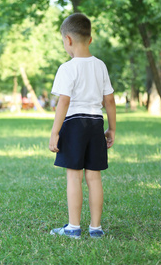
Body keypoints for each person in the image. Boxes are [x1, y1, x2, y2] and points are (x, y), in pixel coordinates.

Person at [48, 13, 116, 239]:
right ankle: (96, 229)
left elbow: (64, 102)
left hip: (74, 125)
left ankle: (73, 228)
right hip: (96, 123)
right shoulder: (101, 66)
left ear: (67, 40)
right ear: (90, 39)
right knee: (94, 177)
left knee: (73, 177)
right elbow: (109, 100)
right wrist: (112, 128)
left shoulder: (67, 68)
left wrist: (55, 132)